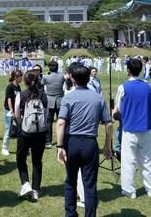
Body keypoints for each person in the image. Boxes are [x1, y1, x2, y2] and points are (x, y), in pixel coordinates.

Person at [56, 65, 113, 217]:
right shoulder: (98, 98)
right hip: (90, 143)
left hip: (72, 142)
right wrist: (107, 146)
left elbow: (61, 122)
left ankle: (70, 213)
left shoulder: (68, 97)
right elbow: (108, 124)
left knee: (70, 181)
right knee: (90, 185)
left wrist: (59, 146)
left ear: (72, 79)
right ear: (89, 78)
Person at [112, 58, 151, 199]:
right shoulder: (148, 86)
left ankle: (129, 190)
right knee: (147, 159)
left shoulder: (123, 87)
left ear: (128, 70)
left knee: (129, 160)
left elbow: (117, 109)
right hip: (145, 127)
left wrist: (115, 113)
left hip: (129, 128)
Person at [14, 71, 48, 201]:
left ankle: (25, 183)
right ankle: (36, 189)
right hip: (40, 132)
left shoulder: (21, 95)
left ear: (25, 81)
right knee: (37, 161)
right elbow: (46, 113)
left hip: (25, 132)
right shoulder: (43, 95)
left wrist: (20, 124)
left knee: (21, 158)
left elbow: (17, 114)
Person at [42, 61, 65, 149]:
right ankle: (62, 140)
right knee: (61, 122)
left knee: (48, 122)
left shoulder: (46, 77)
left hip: (49, 101)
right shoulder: (61, 76)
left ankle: (48, 141)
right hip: (60, 100)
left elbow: (41, 83)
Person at [2, 70, 23, 156]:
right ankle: (4, 148)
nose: (21, 78)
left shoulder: (18, 86)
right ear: (15, 77)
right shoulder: (10, 87)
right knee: (8, 129)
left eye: (21, 76)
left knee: (19, 129)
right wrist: (12, 111)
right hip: (9, 111)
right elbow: (9, 99)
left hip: (17, 110)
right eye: (20, 76)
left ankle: (20, 147)